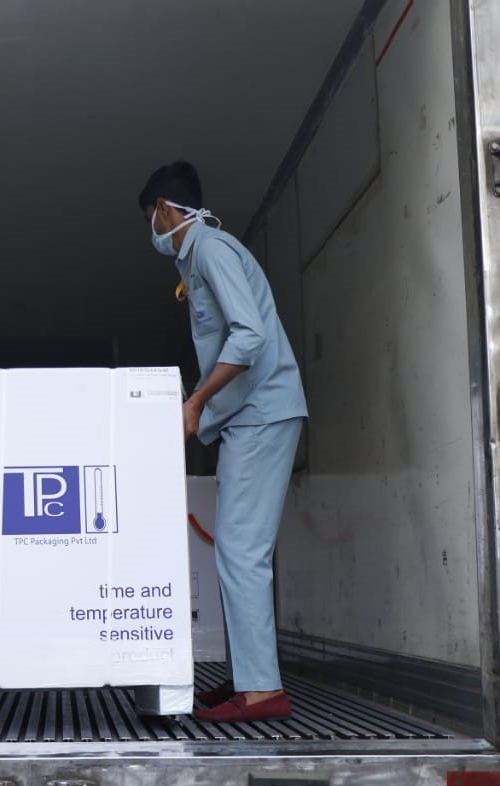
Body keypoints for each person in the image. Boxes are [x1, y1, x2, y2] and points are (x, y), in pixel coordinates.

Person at [138, 162, 308, 723]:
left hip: (261, 414)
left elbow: (251, 335)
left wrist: (194, 402)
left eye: (150, 218)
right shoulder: (199, 257)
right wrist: (197, 400)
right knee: (236, 550)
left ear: (165, 209)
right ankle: (248, 679)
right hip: (246, 419)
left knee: (241, 549)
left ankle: (262, 691)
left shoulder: (210, 248)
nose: (152, 230)